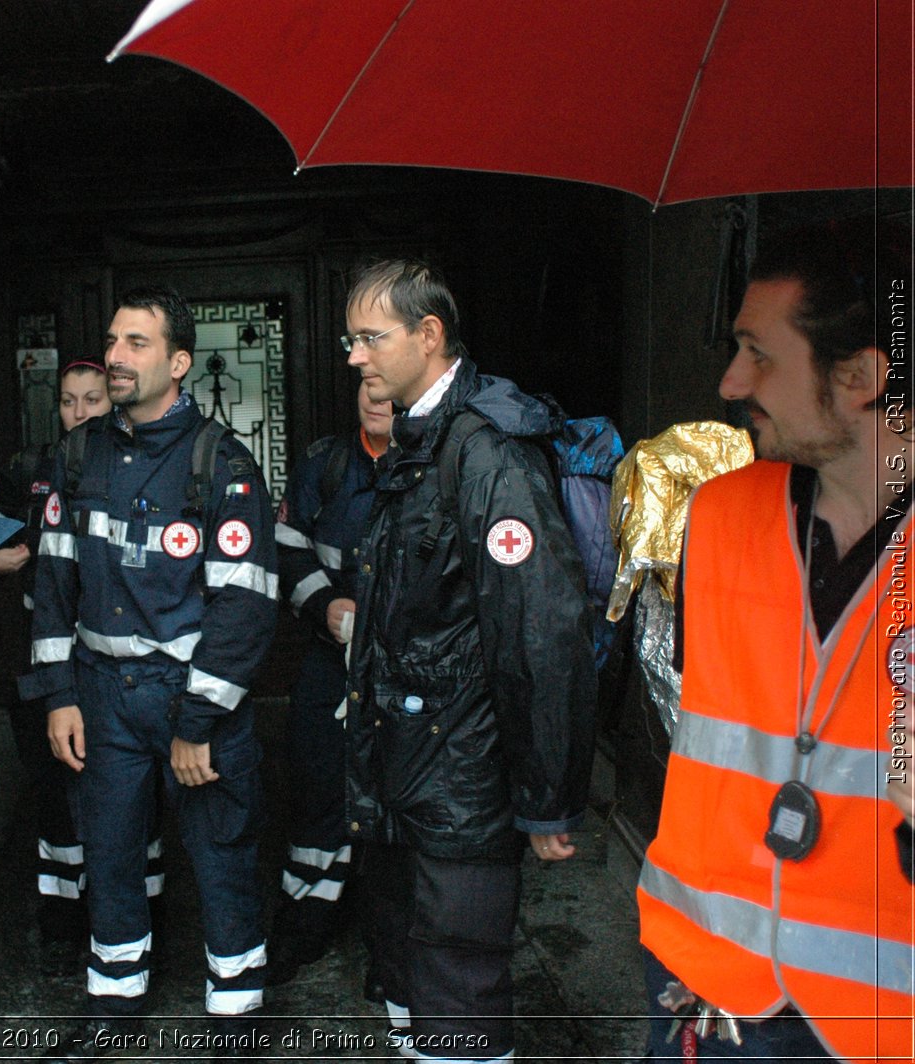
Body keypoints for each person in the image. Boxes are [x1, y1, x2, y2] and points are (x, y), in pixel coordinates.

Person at [637, 221, 914, 1062]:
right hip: (701, 991)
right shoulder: (719, 518)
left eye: (760, 354)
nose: (730, 382)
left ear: (862, 375)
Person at [342, 259, 597, 1062]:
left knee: (460, 991)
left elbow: (543, 632)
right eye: (350, 339)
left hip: (461, 774)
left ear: (429, 334)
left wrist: (549, 798)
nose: (354, 357)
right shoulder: (419, 441)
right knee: (421, 981)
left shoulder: (484, 456)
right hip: (411, 767)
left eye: (370, 338)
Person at [30, 286, 279, 1058]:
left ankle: (236, 1011)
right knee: (108, 851)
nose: (115, 358)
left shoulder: (223, 464)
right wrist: (60, 697)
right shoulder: (78, 456)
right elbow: (51, 586)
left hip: (190, 698)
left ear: (177, 362)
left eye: (136, 344)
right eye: (112, 342)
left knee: (221, 853)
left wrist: (199, 721)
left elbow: (244, 610)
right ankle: (114, 1000)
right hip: (102, 698)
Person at [0, 360, 169, 970]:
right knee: (55, 793)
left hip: (112, 663)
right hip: (42, 663)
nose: (79, 411)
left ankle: (141, 917)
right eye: (67, 400)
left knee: (128, 795)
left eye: (91, 398)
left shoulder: (126, 463)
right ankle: (63, 921)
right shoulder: (26, 470)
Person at [266, 382, 391, 987]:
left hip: (405, 669)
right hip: (327, 660)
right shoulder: (325, 464)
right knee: (317, 782)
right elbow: (284, 546)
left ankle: (388, 947)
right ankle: (306, 924)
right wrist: (326, 606)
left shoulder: (445, 464)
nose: (372, 396)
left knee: (397, 795)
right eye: (362, 385)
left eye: (383, 386)